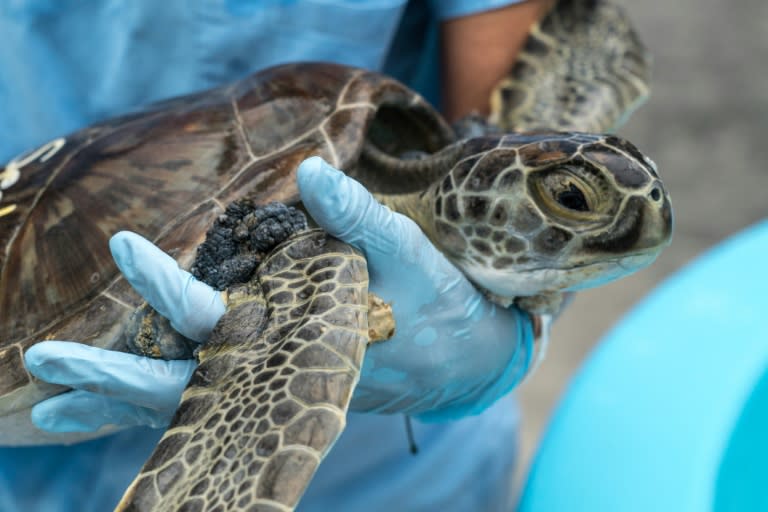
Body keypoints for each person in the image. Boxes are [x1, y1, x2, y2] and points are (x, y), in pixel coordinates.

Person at [0, 1, 552, 510]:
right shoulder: (319, 268)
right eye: (570, 200)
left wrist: (513, 328)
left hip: (367, 479)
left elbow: (524, 128)